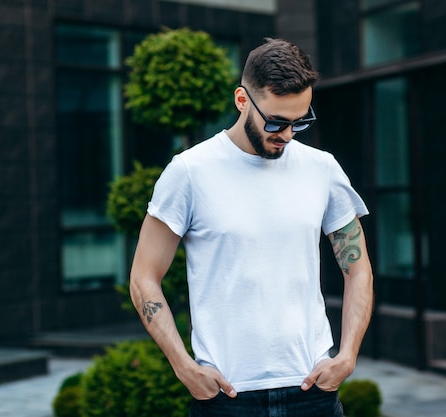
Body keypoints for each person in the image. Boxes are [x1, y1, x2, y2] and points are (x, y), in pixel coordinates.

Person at [129, 38, 374, 417]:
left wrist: (347, 356)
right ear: (242, 100)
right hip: (227, 397)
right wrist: (184, 367)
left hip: (312, 391)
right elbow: (144, 276)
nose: (288, 134)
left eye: (300, 121)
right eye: (276, 121)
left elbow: (357, 268)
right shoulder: (189, 172)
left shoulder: (322, 169)